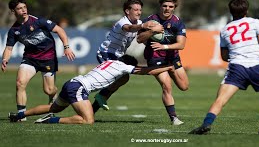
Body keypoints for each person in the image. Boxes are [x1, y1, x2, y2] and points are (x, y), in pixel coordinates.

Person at [189, 0, 259, 135]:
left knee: (221, 99)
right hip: (256, 67)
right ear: (246, 11)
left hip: (237, 68)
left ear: (231, 12)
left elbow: (224, 56)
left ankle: (206, 124)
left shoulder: (225, 30)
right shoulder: (254, 22)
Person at [8, 55, 174, 124]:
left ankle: (19, 115)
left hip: (72, 82)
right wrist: (168, 66)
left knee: (53, 107)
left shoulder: (110, 62)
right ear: (129, 64)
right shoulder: (123, 67)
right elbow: (146, 71)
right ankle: (50, 120)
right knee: (88, 121)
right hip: (79, 88)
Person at [1, 0, 75, 121]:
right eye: (20, 8)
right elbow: (8, 48)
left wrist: (66, 47)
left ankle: (55, 97)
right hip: (30, 59)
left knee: (49, 90)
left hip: (48, 58)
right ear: (13, 11)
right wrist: (4, 60)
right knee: (20, 83)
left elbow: (59, 30)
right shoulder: (14, 30)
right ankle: (21, 115)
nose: (23, 10)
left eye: (24, 7)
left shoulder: (38, 21)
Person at [92, 0, 163, 112]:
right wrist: (144, 26)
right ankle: (91, 94)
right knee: (116, 77)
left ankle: (95, 105)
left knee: (123, 78)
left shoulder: (139, 23)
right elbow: (129, 28)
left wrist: (156, 38)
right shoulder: (123, 22)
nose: (139, 12)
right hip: (106, 53)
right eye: (135, 10)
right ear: (127, 11)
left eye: (140, 10)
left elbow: (142, 38)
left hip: (118, 55)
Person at [136, 0, 189, 125]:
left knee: (184, 86)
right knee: (167, 86)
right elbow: (139, 39)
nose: (167, 8)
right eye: (164, 6)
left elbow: (181, 45)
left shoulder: (177, 22)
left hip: (173, 57)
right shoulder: (151, 20)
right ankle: (174, 118)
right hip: (155, 58)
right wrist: (152, 32)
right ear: (160, 6)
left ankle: (171, 69)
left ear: (174, 8)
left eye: (170, 6)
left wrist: (164, 46)